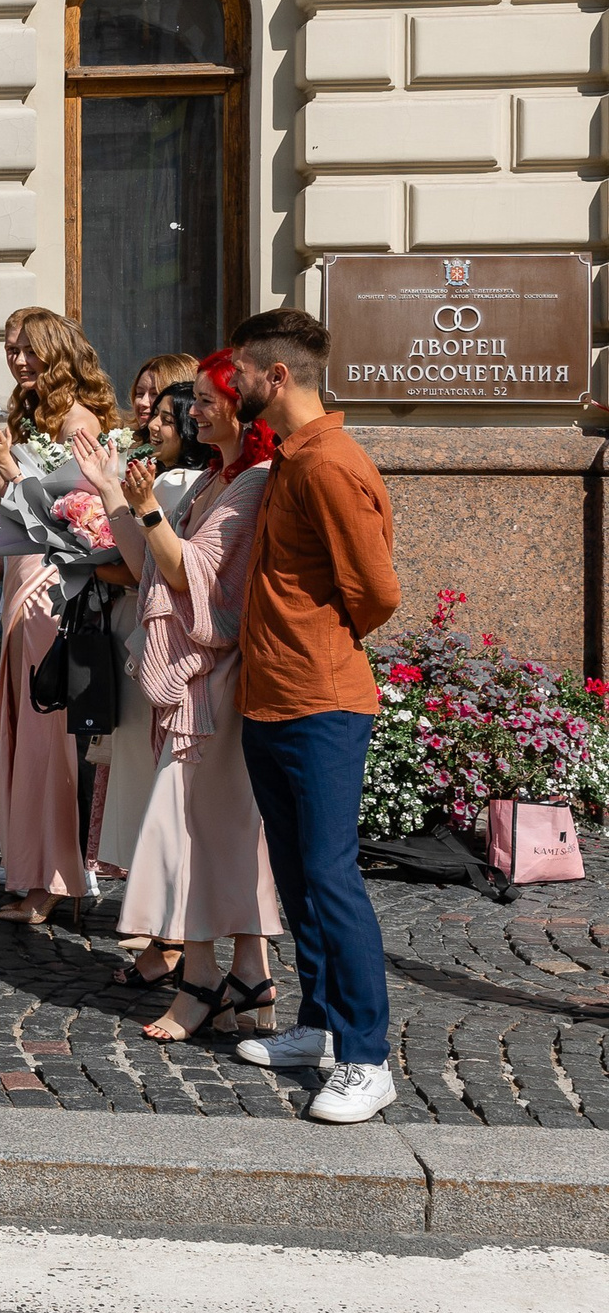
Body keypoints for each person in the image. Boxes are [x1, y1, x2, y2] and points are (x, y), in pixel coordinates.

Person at [73, 352, 285, 1043]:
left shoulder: (251, 482)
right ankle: (248, 976)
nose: (193, 411)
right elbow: (149, 568)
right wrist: (114, 491)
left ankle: (200, 980)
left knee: (187, 828)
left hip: (215, 681)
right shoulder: (218, 478)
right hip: (204, 679)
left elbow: (191, 574)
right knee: (217, 830)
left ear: (239, 405)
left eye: (204, 399)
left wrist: (143, 508)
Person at [228, 308, 402, 1124]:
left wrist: (317, 643)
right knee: (298, 876)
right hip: (270, 699)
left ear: (277, 376)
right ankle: (322, 1025)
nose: (232, 382)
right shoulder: (291, 458)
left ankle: (367, 1057)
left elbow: (378, 591)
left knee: (331, 876)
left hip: (321, 701)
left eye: (241, 370)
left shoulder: (330, 463)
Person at [0, 306, 119, 927]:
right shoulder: (31, 414)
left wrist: (1, 474)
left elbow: (76, 519)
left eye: (28, 349)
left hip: (53, 590)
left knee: (47, 739)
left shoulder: (79, 421)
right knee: (18, 729)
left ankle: (56, 878)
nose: (17, 360)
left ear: (58, 352)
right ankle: (28, 869)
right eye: (11, 348)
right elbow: (26, 508)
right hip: (21, 579)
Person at [93, 379, 214, 986]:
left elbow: (150, 568)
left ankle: (171, 939)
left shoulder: (180, 484)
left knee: (163, 799)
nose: (155, 424)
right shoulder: (182, 481)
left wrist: (114, 492)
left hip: (173, 654)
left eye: (169, 416)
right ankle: (169, 935)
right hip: (169, 651)